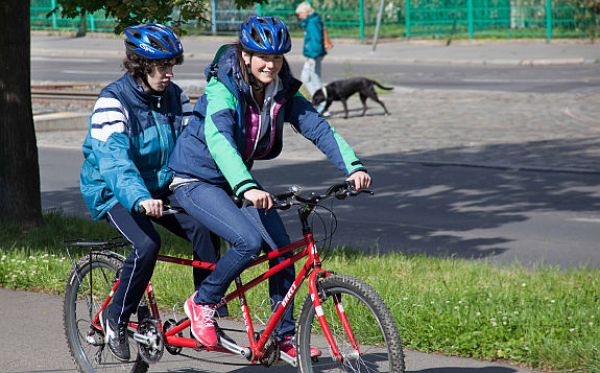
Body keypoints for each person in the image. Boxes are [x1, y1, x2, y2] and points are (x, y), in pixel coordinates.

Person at [168, 16, 371, 358]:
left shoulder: (281, 91)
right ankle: (202, 302)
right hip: (195, 178)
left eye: (277, 57)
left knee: (280, 249)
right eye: (262, 56)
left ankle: (283, 337)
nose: (270, 64)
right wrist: (246, 186)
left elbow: (319, 128)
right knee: (247, 242)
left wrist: (353, 166)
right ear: (245, 55)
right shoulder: (224, 86)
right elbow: (218, 140)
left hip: (235, 182)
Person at [79, 23, 219, 362]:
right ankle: (115, 318)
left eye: (173, 65)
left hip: (160, 185)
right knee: (147, 244)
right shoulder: (113, 101)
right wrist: (139, 198)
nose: (169, 73)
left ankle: (204, 311)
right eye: (162, 66)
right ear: (140, 66)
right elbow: (114, 160)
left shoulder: (175, 96)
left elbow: (195, 146)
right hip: (114, 189)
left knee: (207, 225)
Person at [296, 1, 333, 113]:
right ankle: (319, 103)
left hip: (313, 55)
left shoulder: (312, 23)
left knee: (313, 79)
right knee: (307, 78)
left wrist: (311, 56)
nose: (299, 16)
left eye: (300, 13)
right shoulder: (312, 21)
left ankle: (321, 104)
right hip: (314, 54)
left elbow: (315, 42)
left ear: (306, 12)